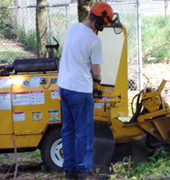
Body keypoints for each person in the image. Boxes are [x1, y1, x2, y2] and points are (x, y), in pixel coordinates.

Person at [57, 2, 117, 180]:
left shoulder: (72, 28)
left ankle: (70, 171)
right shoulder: (94, 40)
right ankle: (84, 172)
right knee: (84, 131)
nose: (104, 27)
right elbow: (96, 72)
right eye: (104, 24)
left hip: (64, 88)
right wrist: (97, 80)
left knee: (68, 130)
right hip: (80, 91)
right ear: (98, 22)